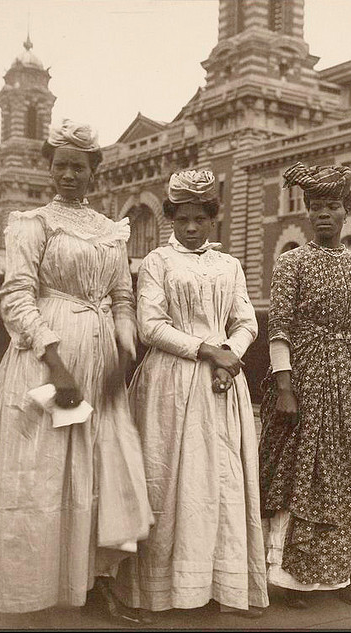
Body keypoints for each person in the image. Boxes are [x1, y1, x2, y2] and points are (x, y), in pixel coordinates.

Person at [0, 119, 153, 618]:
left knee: (103, 471)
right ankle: (33, 584)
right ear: (51, 168)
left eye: (79, 167)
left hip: (101, 358)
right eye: (60, 165)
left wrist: (125, 342)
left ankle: (97, 580)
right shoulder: (32, 222)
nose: (68, 175)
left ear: (94, 171)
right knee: (43, 471)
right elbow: (17, 296)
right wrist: (53, 359)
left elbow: (123, 296)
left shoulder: (113, 231)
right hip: (47, 360)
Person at [113, 170, 269, 618]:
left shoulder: (229, 265)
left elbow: (246, 322)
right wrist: (206, 351)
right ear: (171, 219)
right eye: (183, 219)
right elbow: (150, 326)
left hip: (223, 384)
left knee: (221, 480)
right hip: (172, 380)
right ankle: (168, 590)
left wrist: (230, 356)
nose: (192, 227)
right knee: (173, 481)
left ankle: (223, 585)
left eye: (201, 218)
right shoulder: (158, 262)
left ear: (213, 218)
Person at [258, 162, 351, 609]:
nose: (324, 214)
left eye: (332, 206)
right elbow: (279, 326)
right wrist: (284, 386)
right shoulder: (292, 262)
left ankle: (344, 575)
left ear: (346, 212)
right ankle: (287, 576)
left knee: (348, 476)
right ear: (307, 213)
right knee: (302, 474)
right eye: (316, 206)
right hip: (304, 376)